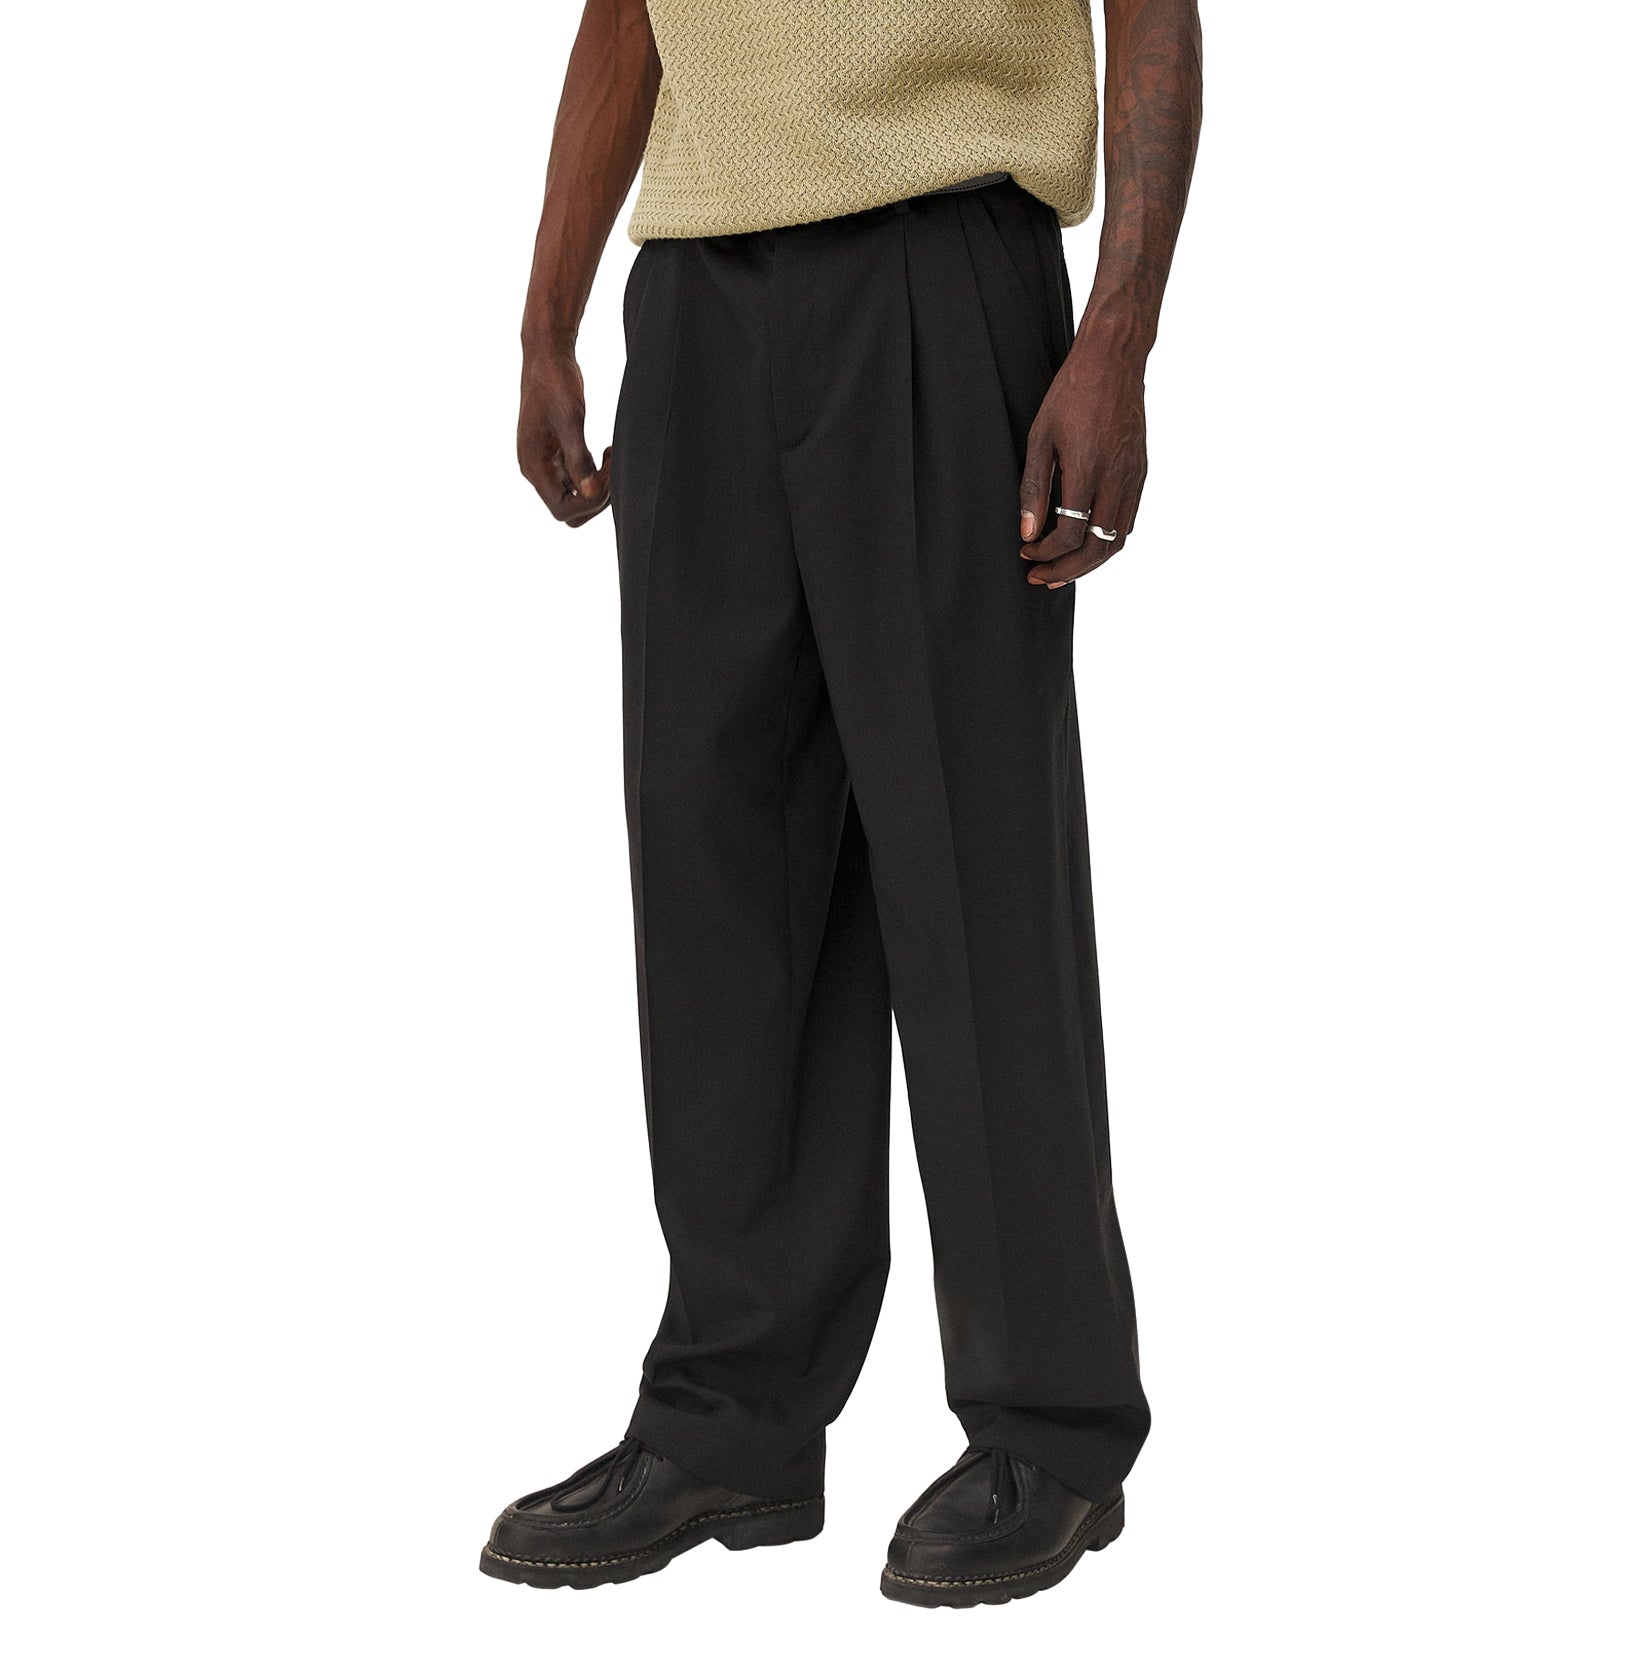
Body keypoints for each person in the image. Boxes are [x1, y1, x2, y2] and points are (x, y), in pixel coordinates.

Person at [479, 0, 1201, 1608]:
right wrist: (546, 316)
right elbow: (628, 14)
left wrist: (1119, 336)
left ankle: (1054, 1426)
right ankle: (730, 1414)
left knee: (974, 857)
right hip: (697, 293)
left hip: (938, 259)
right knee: (715, 868)